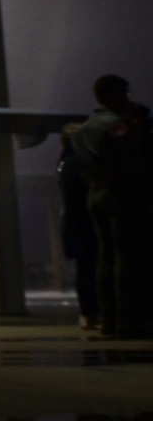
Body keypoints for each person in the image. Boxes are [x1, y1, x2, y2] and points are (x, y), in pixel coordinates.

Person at [71, 75, 153, 338]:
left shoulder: (82, 130)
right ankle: (129, 320)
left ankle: (108, 317)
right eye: (123, 94)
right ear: (114, 95)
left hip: (96, 194)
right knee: (128, 258)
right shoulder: (118, 127)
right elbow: (132, 162)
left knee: (106, 257)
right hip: (123, 195)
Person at [59, 124, 99, 327]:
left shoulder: (65, 163)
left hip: (74, 224)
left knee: (85, 269)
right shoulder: (79, 164)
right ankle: (92, 311)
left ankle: (89, 312)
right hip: (84, 224)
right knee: (90, 268)